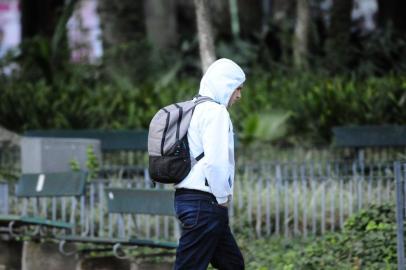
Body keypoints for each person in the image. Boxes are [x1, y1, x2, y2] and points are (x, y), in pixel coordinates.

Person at [174, 58, 245, 270]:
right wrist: (222, 199)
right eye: (237, 88)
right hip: (205, 204)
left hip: (188, 198)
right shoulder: (216, 113)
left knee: (233, 265)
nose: (239, 95)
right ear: (224, 85)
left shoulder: (194, 108)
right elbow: (216, 162)